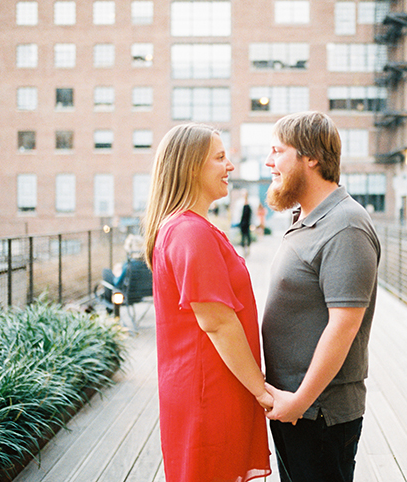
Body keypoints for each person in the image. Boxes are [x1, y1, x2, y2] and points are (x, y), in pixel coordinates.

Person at [143, 123, 272, 482]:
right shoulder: (190, 232)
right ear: (190, 167)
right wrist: (260, 389)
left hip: (205, 385)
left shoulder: (181, 228)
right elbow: (217, 322)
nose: (230, 166)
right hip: (209, 391)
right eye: (219, 157)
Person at [262, 111, 381, 482]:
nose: (270, 162)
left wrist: (299, 401)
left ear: (310, 157)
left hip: (319, 412)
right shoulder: (309, 218)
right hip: (296, 408)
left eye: (278, 151)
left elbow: (344, 326)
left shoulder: (346, 225)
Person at [239, 191, 253, 257]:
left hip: (247, 224)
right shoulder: (240, 204)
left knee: (248, 237)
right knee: (243, 238)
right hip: (242, 224)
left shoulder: (250, 204)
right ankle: (244, 251)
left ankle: (248, 250)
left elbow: (251, 215)